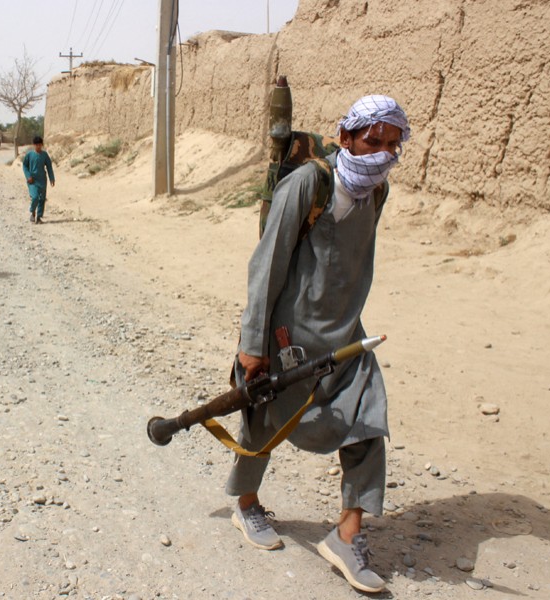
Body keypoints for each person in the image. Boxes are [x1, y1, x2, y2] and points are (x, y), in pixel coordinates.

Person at [226, 95, 410, 594]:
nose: (383, 153)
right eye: (374, 141)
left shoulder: (378, 191)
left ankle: (347, 536)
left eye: (393, 144)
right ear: (346, 137)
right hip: (288, 334)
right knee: (264, 421)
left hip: (346, 331)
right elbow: (266, 265)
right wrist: (253, 342)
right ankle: (246, 504)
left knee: (368, 418)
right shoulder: (309, 184)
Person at [22, 135, 55, 224]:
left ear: (42, 145)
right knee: (35, 197)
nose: (38, 146)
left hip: (42, 180)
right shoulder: (29, 154)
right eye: (37, 145)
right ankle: (33, 212)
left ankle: (39, 217)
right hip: (32, 180)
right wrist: (28, 176)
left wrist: (52, 178)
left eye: (40, 144)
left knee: (42, 199)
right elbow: (25, 166)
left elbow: (49, 167)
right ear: (34, 145)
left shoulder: (44, 155)